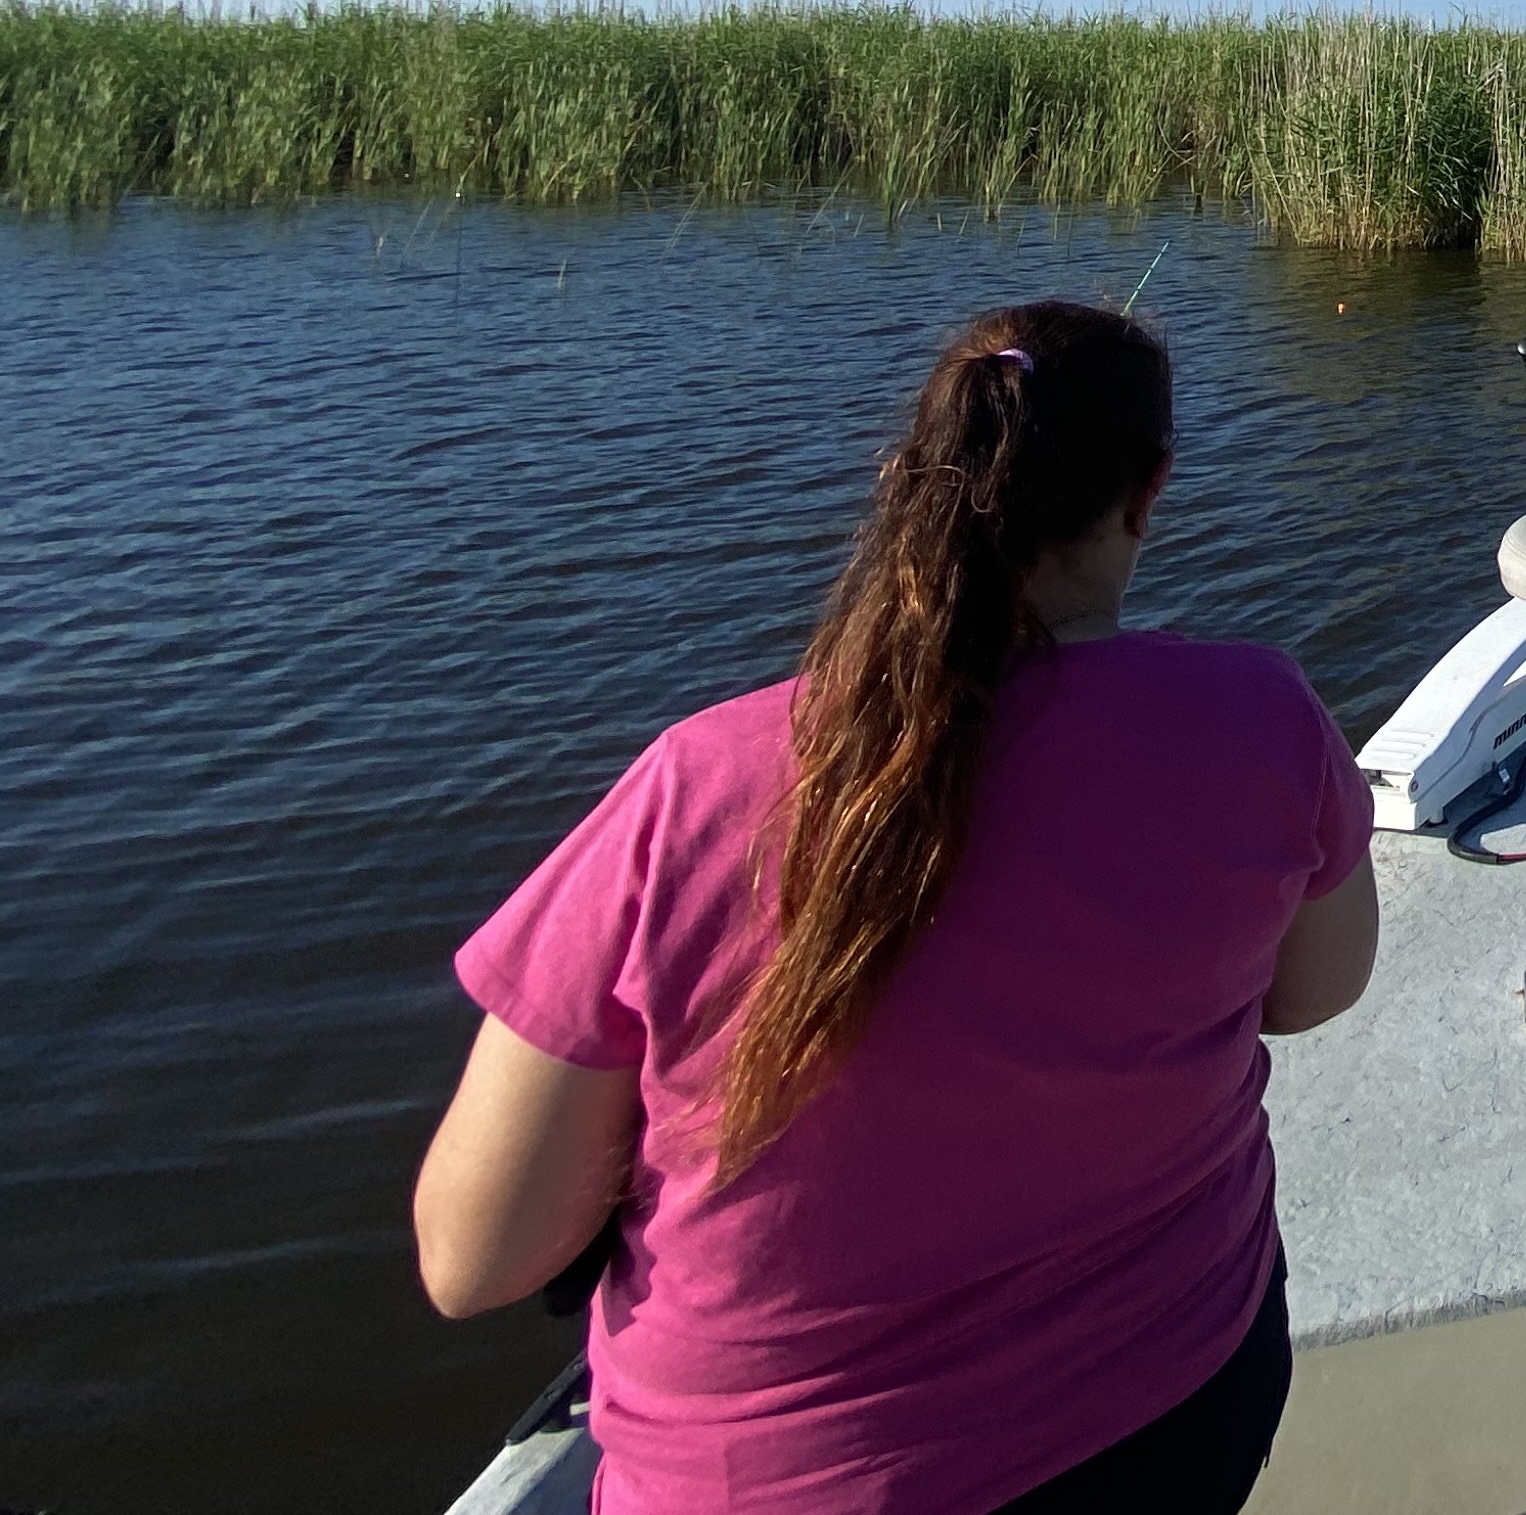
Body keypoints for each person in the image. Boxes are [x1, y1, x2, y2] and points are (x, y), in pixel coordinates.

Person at [412, 299, 1379, 1515]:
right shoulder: (1263, 722)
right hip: (1184, 1412)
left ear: (915, 477)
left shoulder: (693, 796)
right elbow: (1318, 993)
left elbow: (474, 1258)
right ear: (1149, 498)